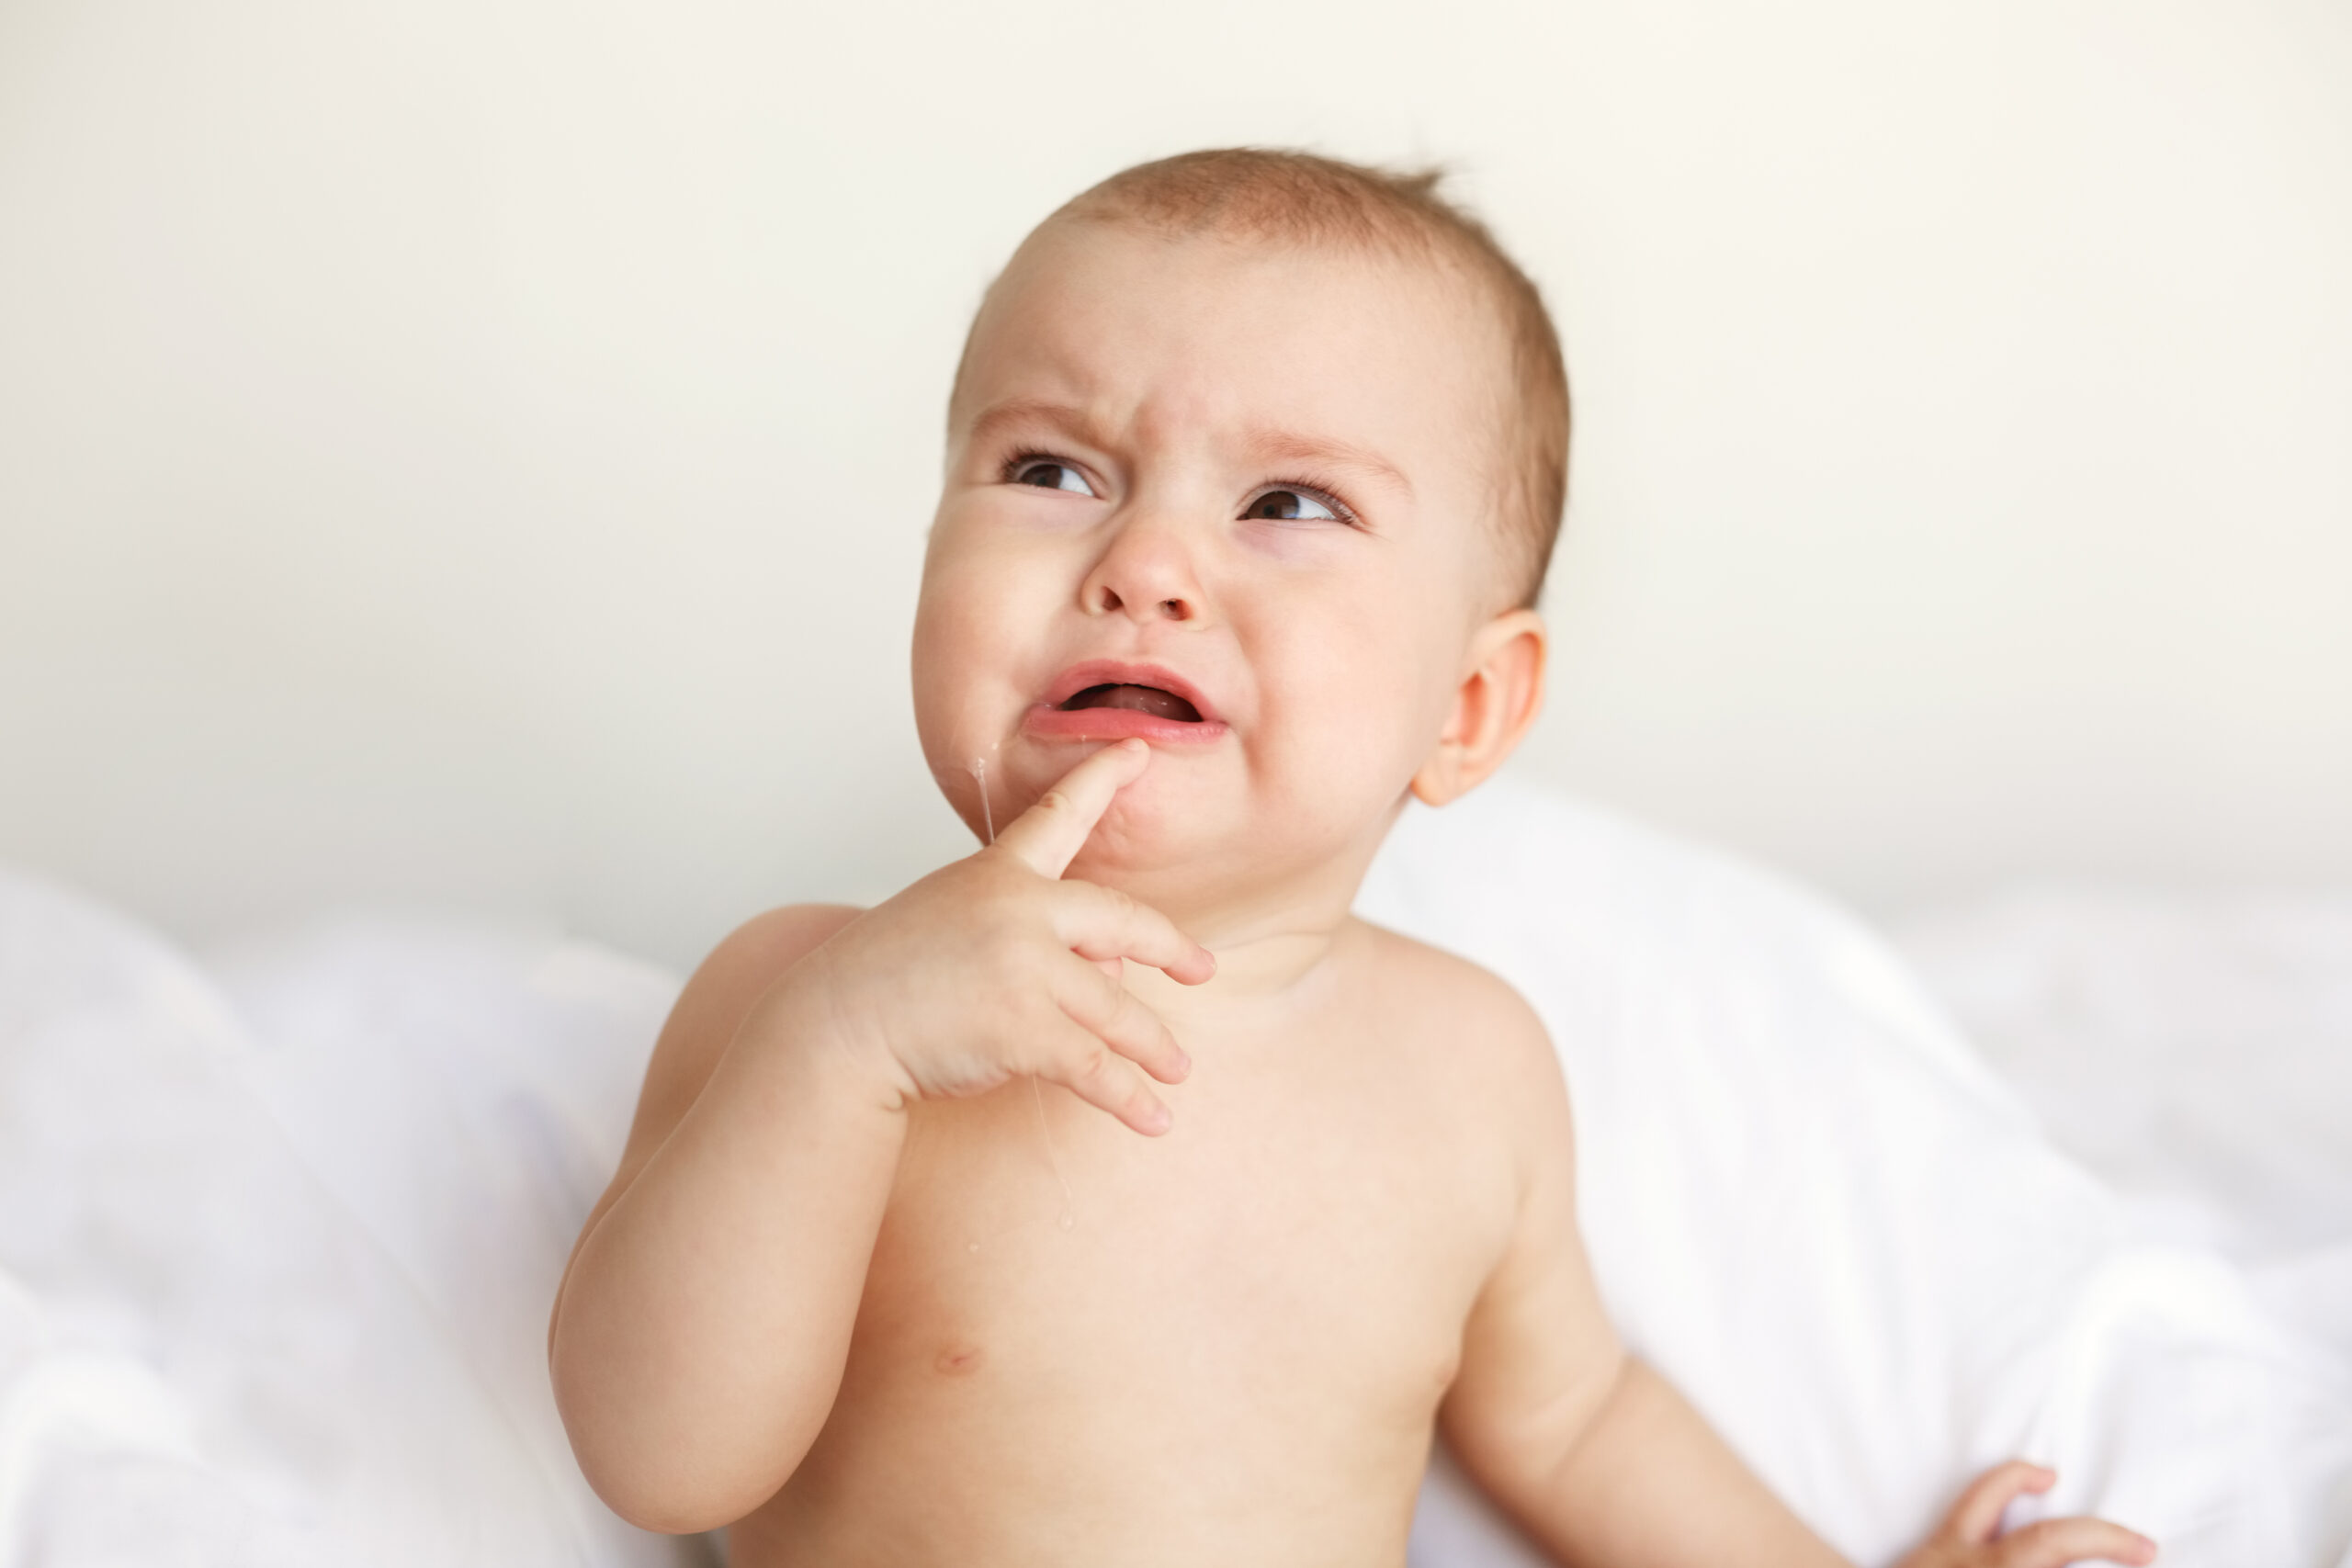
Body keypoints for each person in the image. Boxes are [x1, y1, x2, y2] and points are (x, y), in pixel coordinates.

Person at [547, 148, 2156, 1567]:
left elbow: (1582, 1423)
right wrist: (843, 1050)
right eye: (1052, 470)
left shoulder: (1466, 1066)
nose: (1148, 562)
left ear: (1465, 708)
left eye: (1288, 501)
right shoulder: (803, 1001)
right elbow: (658, 1459)